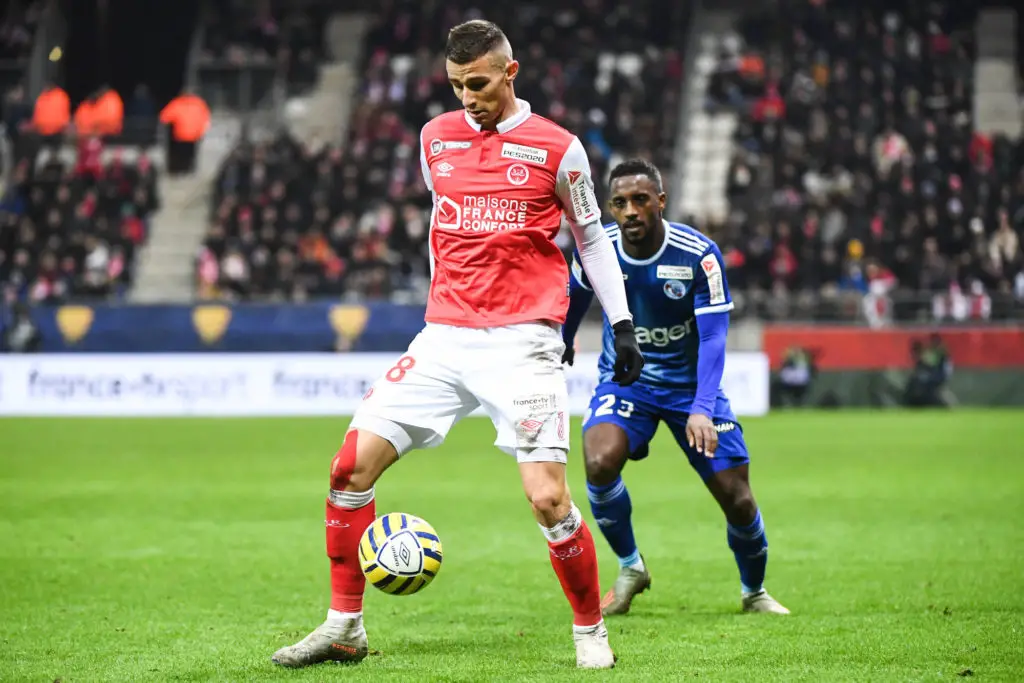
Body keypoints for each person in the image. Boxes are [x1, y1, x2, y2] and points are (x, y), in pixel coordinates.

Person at [272, 20, 643, 671]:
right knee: (347, 469)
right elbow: (442, 221)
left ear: (510, 72)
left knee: (548, 498)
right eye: (456, 85)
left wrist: (621, 323)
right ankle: (345, 626)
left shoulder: (560, 149)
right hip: (444, 335)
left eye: (478, 83)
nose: (468, 98)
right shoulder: (434, 138)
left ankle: (590, 632)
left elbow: (590, 238)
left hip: (524, 340)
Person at [561, 159, 789, 618]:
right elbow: (575, 296)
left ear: (661, 201)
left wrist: (702, 408)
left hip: (691, 390)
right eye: (620, 202)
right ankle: (631, 566)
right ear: (609, 208)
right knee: (599, 462)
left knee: (737, 498)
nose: (630, 210)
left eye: (640, 199)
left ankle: (754, 592)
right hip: (629, 383)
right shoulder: (596, 249)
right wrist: (562, 341)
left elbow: (714, 338)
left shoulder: (698, 255)